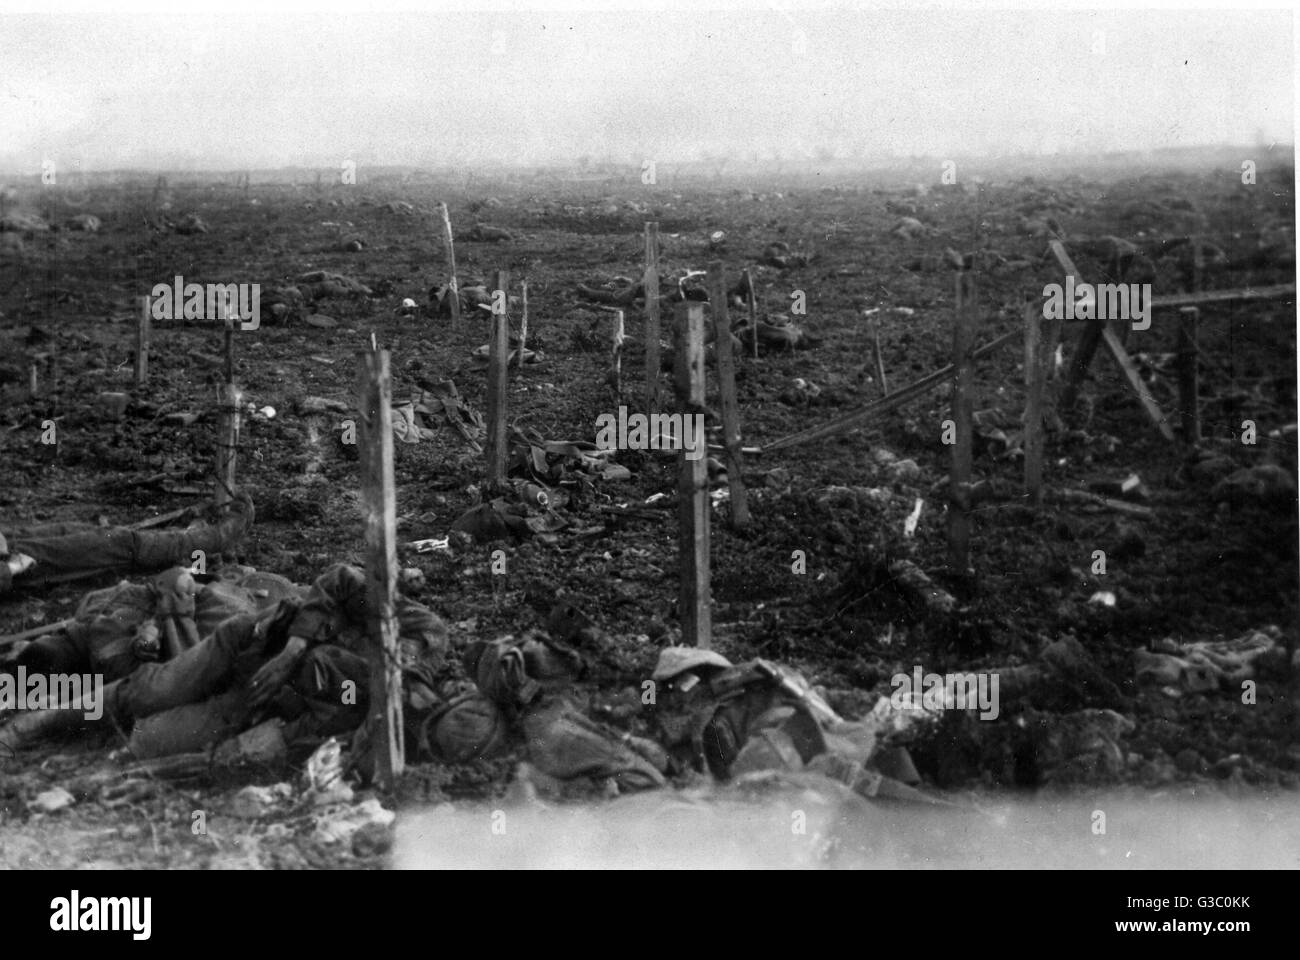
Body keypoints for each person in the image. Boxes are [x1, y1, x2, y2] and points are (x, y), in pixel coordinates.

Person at [0, 563, 493, 774]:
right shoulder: (420, 627)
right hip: (251, 642)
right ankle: (29, 725)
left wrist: (264, 738)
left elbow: (316, 732)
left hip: (258, 700)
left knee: (150, 743)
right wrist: (292, 652)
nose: (396, 669)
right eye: (400, 662)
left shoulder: (378, 719)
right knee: (152, 692)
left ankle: (87, 770)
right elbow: (340, 580)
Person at [0, 492, 254, 597]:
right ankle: (212, 539)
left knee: (86, 533)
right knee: (120, 543)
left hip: (7, 539)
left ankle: (177, 550)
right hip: (14, 560)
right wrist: (10, 569)